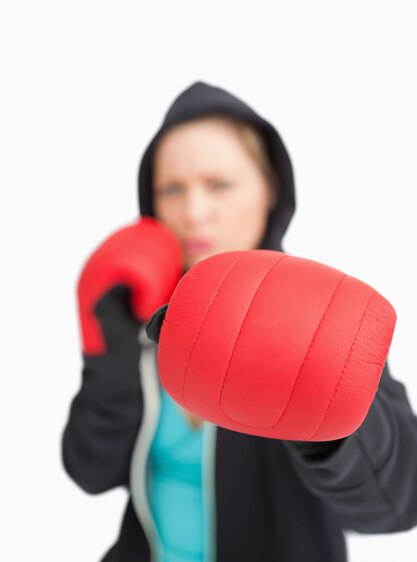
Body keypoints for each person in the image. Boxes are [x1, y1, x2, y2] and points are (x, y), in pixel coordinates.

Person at [62, 80, 417, 562]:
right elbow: (91, 472)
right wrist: (111, 358)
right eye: (171, 188)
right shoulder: (139, 311)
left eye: (219, 185)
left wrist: (323, 418)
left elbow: (396, 507)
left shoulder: (318, 317)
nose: (193, 212)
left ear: (271, 189)